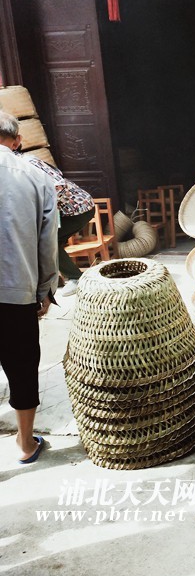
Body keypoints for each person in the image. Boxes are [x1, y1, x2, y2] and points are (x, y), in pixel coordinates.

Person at [0, 111, 59, 464]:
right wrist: (45, 289)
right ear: (17, 141)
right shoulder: (34, 176)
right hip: (14, 290)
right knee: (22, 365)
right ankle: (25, 444)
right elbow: (46, 241)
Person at [8, 138, 94, 297]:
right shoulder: (14, 167)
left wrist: (43, 211)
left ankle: (75, 278)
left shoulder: (28, 162)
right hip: (67, 211)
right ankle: (70, 277)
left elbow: (58, 185)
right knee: (51, 242)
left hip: (77, 209)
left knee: (46, 240)